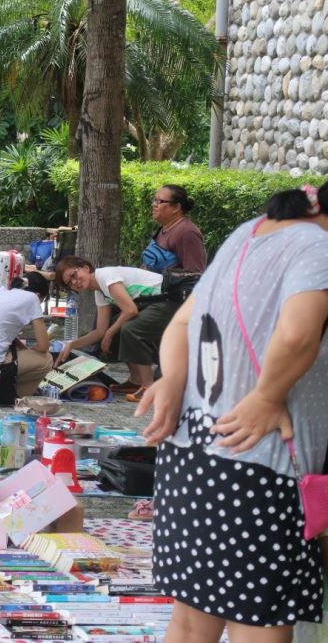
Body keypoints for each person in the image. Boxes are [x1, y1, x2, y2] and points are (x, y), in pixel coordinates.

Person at [137, 182, 328, 641]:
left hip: (191, 454)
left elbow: (183, 321)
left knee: (189, 622)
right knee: (257, 624)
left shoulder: (250, 231)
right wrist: (267, 395)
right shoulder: (319, 248)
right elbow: (299, 333)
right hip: (259, 462)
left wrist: (172, 379)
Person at [54, 256, 177, 401]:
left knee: (130, 329)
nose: (75, 282)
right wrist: (72, 344)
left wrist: (110, 333)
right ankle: (135, 380)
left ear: (86, 268)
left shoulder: (106, 276)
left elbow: (131, 310)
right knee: (117, 328)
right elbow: (99, 331)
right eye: (70, 283)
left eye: (74, 275)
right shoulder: (99, 292)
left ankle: (149, 387)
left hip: (168, 299)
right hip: (151, 304)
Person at [0, 271, 52, 399]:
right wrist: (31, 351)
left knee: (17, 352)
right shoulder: (32, 298)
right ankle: (16, 395)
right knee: (46, 359)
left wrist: (22, 348)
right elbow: (43, 346)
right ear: (38, 295)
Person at [141, 184, 207, 273]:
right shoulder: (165, 227)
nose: (154, 204)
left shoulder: (187, 233)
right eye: (154, 200)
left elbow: (194, 276)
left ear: (176, 207)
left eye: (159, 201)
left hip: (164, 287)